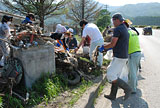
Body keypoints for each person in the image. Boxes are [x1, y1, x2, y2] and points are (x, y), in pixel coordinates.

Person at [98, 13, 131, 100]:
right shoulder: (124, 27)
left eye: (113, 20)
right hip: (122, 55)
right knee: (114, 74)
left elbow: (113, 43)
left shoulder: (118, 29)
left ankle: (127, 88)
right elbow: (119, 43)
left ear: (116, 20)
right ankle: (113, 95)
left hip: (119, 56)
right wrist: (108, 48)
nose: (112, 22)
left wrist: (103, 47)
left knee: (111, 75)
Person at [123, 19, 141, 94]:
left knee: (132, 72)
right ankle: (134, 85)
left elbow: (124, 44)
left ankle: (133, 89)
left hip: (132, 54)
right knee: (135, 71)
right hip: (138, 52)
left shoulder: (127, 33)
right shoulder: (133, 32)